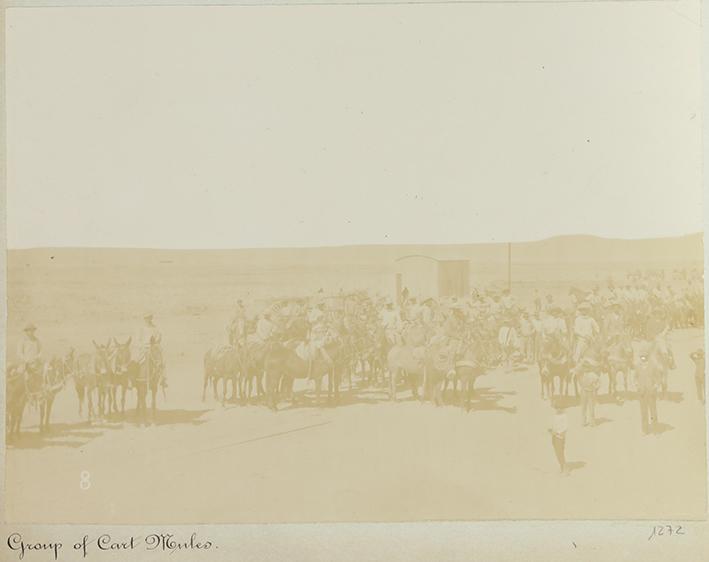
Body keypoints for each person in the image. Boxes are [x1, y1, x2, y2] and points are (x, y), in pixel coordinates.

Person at [635, 341, 661, 434]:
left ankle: (655, 430)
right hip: (642, 393)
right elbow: (635, 378)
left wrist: (656, 386)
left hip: (651, 392)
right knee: (643, 412)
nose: (643, 358)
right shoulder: (637, 366)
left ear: (647, 357)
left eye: (645, 356)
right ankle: (644, 430)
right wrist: (637, 385)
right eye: (641, 356)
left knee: (653, 411)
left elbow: (658, 378)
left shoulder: (653, 366)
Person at [139, 313, 166, 388]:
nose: (148, 320)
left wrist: (155, 343)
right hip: (145, 347)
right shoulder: (142, 328)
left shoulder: (155, 328)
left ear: (151, 318)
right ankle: (132, 378)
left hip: (154, 346)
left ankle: (163, 378)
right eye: (146, 318)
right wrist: (143, 345)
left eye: (149, 318)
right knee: (136, 359)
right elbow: (139, 339)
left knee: (162, 358)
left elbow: (159, 336)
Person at [576, 354, 601, 426]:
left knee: (591, 407)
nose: (586, 369)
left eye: (587, 367)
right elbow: (578, 379)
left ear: (590, 368)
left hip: (591, 392)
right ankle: (583, 421)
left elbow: (599, 382)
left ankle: (592, 421)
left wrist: (595, 388)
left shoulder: (593, 375)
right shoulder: (581, 374)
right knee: (583, 407)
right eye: (584, 367)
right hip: (583, 392)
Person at [548, 401, 568, 475]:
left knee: (560, 453)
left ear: (563, 408)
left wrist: (556, 432)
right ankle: (562, 467)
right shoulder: (555, 416)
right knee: (557, 453)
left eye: (560, 408)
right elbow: (553, 426)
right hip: (554, 437)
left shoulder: (564, 416)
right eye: (557, 408)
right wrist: (551, 430)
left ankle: (565, 469)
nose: (558, 409)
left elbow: (564, 429)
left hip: (560, 437)